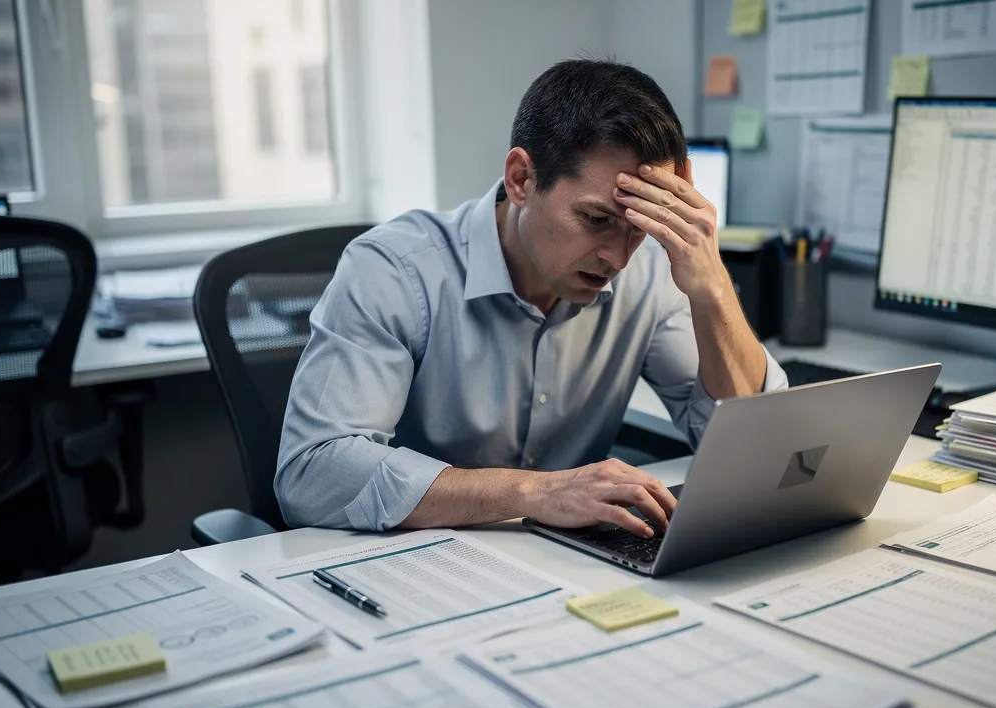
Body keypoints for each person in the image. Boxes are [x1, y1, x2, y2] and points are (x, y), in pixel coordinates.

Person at [276, 59, 788, 537]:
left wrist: (713, 288)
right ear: (521, 179)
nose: (618, 258)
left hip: (567, 566)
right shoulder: (394, 271)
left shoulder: (654, 272)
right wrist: (536, 491)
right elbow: (312, 472)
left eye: (638, 228)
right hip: (419, 561)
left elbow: (753, 450)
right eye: (596, 220)